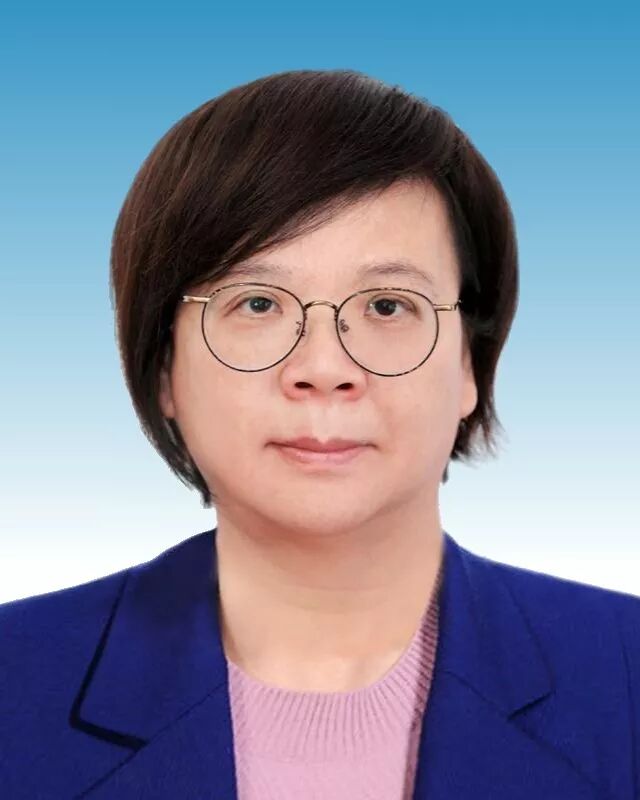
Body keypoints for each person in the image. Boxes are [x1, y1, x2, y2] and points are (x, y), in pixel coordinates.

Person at [1, 68, 638, 800]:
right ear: (164, 367)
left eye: (388, 306)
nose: (324, 368)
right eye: (258, 303)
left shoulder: (625, 672)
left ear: (470, 361)